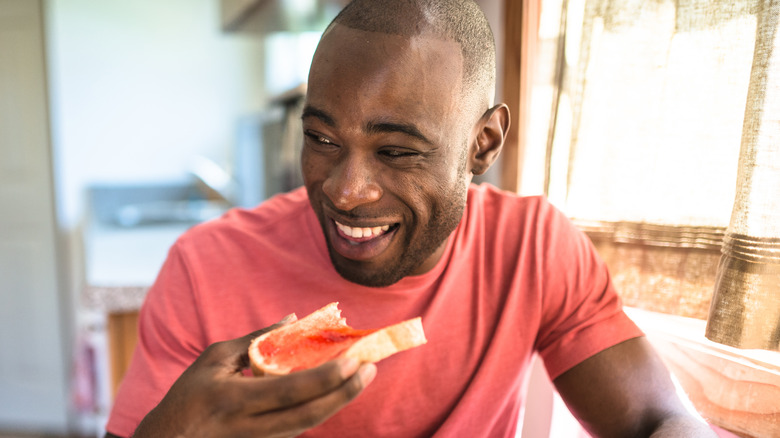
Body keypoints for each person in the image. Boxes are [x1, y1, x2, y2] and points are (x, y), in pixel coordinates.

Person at [105, 1, 717, 437]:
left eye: (396, 151)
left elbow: (655, 420)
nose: (345, 192)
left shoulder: (534, 247)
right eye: (321, 138)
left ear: (483, 144)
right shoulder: (204, 266)